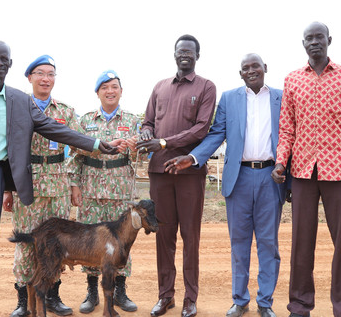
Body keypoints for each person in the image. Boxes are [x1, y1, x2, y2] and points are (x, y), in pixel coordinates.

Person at [0, 41, 119, 317]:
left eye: (4, 60)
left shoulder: (19, 100)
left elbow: (54, 129)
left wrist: (96, 143)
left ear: (11, 65)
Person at [165, 53, 286, 317]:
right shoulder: (230, 99)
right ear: (240, 74)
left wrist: (288, 171)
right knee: (239, 243)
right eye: (246, 68)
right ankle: (240, 301)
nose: (251, 71)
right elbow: (217, 133)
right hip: (239, 178)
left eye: (256, 66)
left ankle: (265, 302)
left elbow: (291, 134)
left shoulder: (282, 97)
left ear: (265, 68)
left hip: (270, 178)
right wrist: (193, 157)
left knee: (268, 244)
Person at [271, 22, 341, 317]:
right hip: (301, 172)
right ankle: (300, 306)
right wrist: (280, 163)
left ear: (329, 40)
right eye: (309, 38)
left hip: (340, 171)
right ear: (303, 44)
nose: (314, 42)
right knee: (302, 241)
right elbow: (286, 129)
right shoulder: (292, 80)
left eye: (319, 37)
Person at [137, 34, 216, 317]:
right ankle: (165, 296)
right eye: (180, 51)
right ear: (174, 54)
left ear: (197, 55)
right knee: (164, 235)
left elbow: (201, 129)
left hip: (189, 173)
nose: (185, 55)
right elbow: (147, 121)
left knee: (190, 237)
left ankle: (190, 299)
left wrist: (164, 142)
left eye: (190, 52)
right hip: (159, 171)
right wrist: (147, 132)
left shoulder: (206, 87)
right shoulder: (160, 87)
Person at [3, 55, 82, 316]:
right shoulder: (16, 107)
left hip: (58, 186)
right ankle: (23, 302)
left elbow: (80, 145)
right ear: (29, 77)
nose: (46, 78)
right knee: (26, 240)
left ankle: (51, 296)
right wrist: (7, 188)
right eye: (40, 73)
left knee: (55, 244)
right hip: (28, 184)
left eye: (51, 74)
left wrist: (73, 182)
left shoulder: (66, 112)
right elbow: (6, 149)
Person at [72, 70, 142, 314]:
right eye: (105, 87)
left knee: (121, 242)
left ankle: (120, 291)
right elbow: (74, 154)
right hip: (91, 189)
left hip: (120, 190)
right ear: (97, 93)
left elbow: (143, 156)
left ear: (121, 91)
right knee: (91, 242)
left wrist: (135, 149)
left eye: (114, 87)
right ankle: (92, 293)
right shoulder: (85, 121)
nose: (110, 91)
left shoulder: (134, 121)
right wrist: (74, 184)